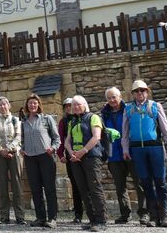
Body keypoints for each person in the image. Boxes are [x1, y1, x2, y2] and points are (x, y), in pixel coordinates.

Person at [122, 80, 167, 228]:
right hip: (137, 150)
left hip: (155, 147)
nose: (140, 93)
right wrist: (125, 149)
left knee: (160, 182)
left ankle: (165, 216)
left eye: (142, 90)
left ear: (147, 91)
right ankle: (153, 216)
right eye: (136, 91)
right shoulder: (128, 109)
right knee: (145, 183)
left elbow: (165, 127)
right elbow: (125, 132)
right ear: (133, 94)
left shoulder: (155, 106)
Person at [101, 87, 148, 226]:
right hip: (114, 155)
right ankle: (125, 214)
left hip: (132, 152)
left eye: (114, 97)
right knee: (120, 187)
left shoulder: (129, 109)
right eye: (109, 98)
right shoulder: (104, 114)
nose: (112, 100)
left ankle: (144, 214)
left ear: (120, 97)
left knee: (140, 184)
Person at [65, 95, 107, 232]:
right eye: (74, 105)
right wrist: (71, 152)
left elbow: (96, 136)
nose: (76, 107)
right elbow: (67, 141)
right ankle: (92, 220)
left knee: (95, 188)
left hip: (91, 157)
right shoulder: (72, 121)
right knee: (83, 189)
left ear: (85, 105)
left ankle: (101, 221)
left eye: (79, 104)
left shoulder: (93, 117)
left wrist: (83, 151)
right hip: (76, 159)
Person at [20, 93, 60, 228]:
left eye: (35, 103)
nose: (32, 105)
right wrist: (22, 149)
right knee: (35, 189)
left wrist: (53, 148)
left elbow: (56, 138)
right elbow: (22, 140)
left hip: (46, 157)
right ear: (27, 105)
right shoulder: (24, 122)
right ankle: (40, 218)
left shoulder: (46, 119)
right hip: (30, 158)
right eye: (30, 103)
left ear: (38, 105)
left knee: (49, 189)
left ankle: (52, 218)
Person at [0, 96, 25, 225]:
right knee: (2, 185)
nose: (3, 106)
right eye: (0, 105)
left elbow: (18, 137)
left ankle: (20, 217)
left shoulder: (16, 120)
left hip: (14, 154)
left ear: (9, 106)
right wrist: (1, 150)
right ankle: (4, 217)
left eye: (5, 104)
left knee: (17, 184)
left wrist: (8, 149)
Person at [57, 98, 84, 224]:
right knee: (75, 185)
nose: (69, 108)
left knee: (89, 184)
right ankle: (78, 213)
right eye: (66, 106)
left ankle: (94, 213)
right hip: (71, 155)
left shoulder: (84, 118)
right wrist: (60, 154)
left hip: (85, 154)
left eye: (70, 105)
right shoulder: (63, 122)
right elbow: (61, 139)